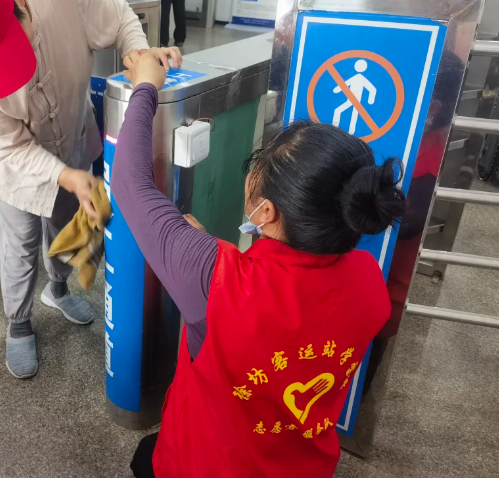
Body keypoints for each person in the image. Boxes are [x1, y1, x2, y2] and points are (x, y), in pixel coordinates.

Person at [114, 53, 406, 477]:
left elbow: (130, 185)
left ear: (265, 212)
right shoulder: (368, 280)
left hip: (205, 465)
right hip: (301, 467)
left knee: (146, 459)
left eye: (258, 168)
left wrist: (145, 87)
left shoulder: (216, 278)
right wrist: (206, 251)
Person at [0, 0, 182, 379]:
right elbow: (10, 145)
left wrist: (139, 54)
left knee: (69, 227)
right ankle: (19, 322)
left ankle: (57, 289)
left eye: (11, 42)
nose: (11, 69)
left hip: (73, 134)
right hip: (16, 168)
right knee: (20, 247)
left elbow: (120, 17)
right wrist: (66, 176)